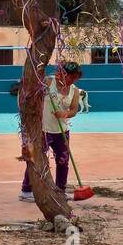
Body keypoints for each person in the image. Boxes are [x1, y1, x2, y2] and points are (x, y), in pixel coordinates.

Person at [19, 62, 82, 202]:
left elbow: (73, 110)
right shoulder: (48, 82)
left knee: (63, 161)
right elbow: (33, 93)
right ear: (61, 73)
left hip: (62, 131)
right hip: (43, 129)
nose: (72, 80)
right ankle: (26, 190)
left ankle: (60, 190)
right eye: (70, 76)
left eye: (75, 77)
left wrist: (64, 114)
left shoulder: (75, 91)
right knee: (36, 159)